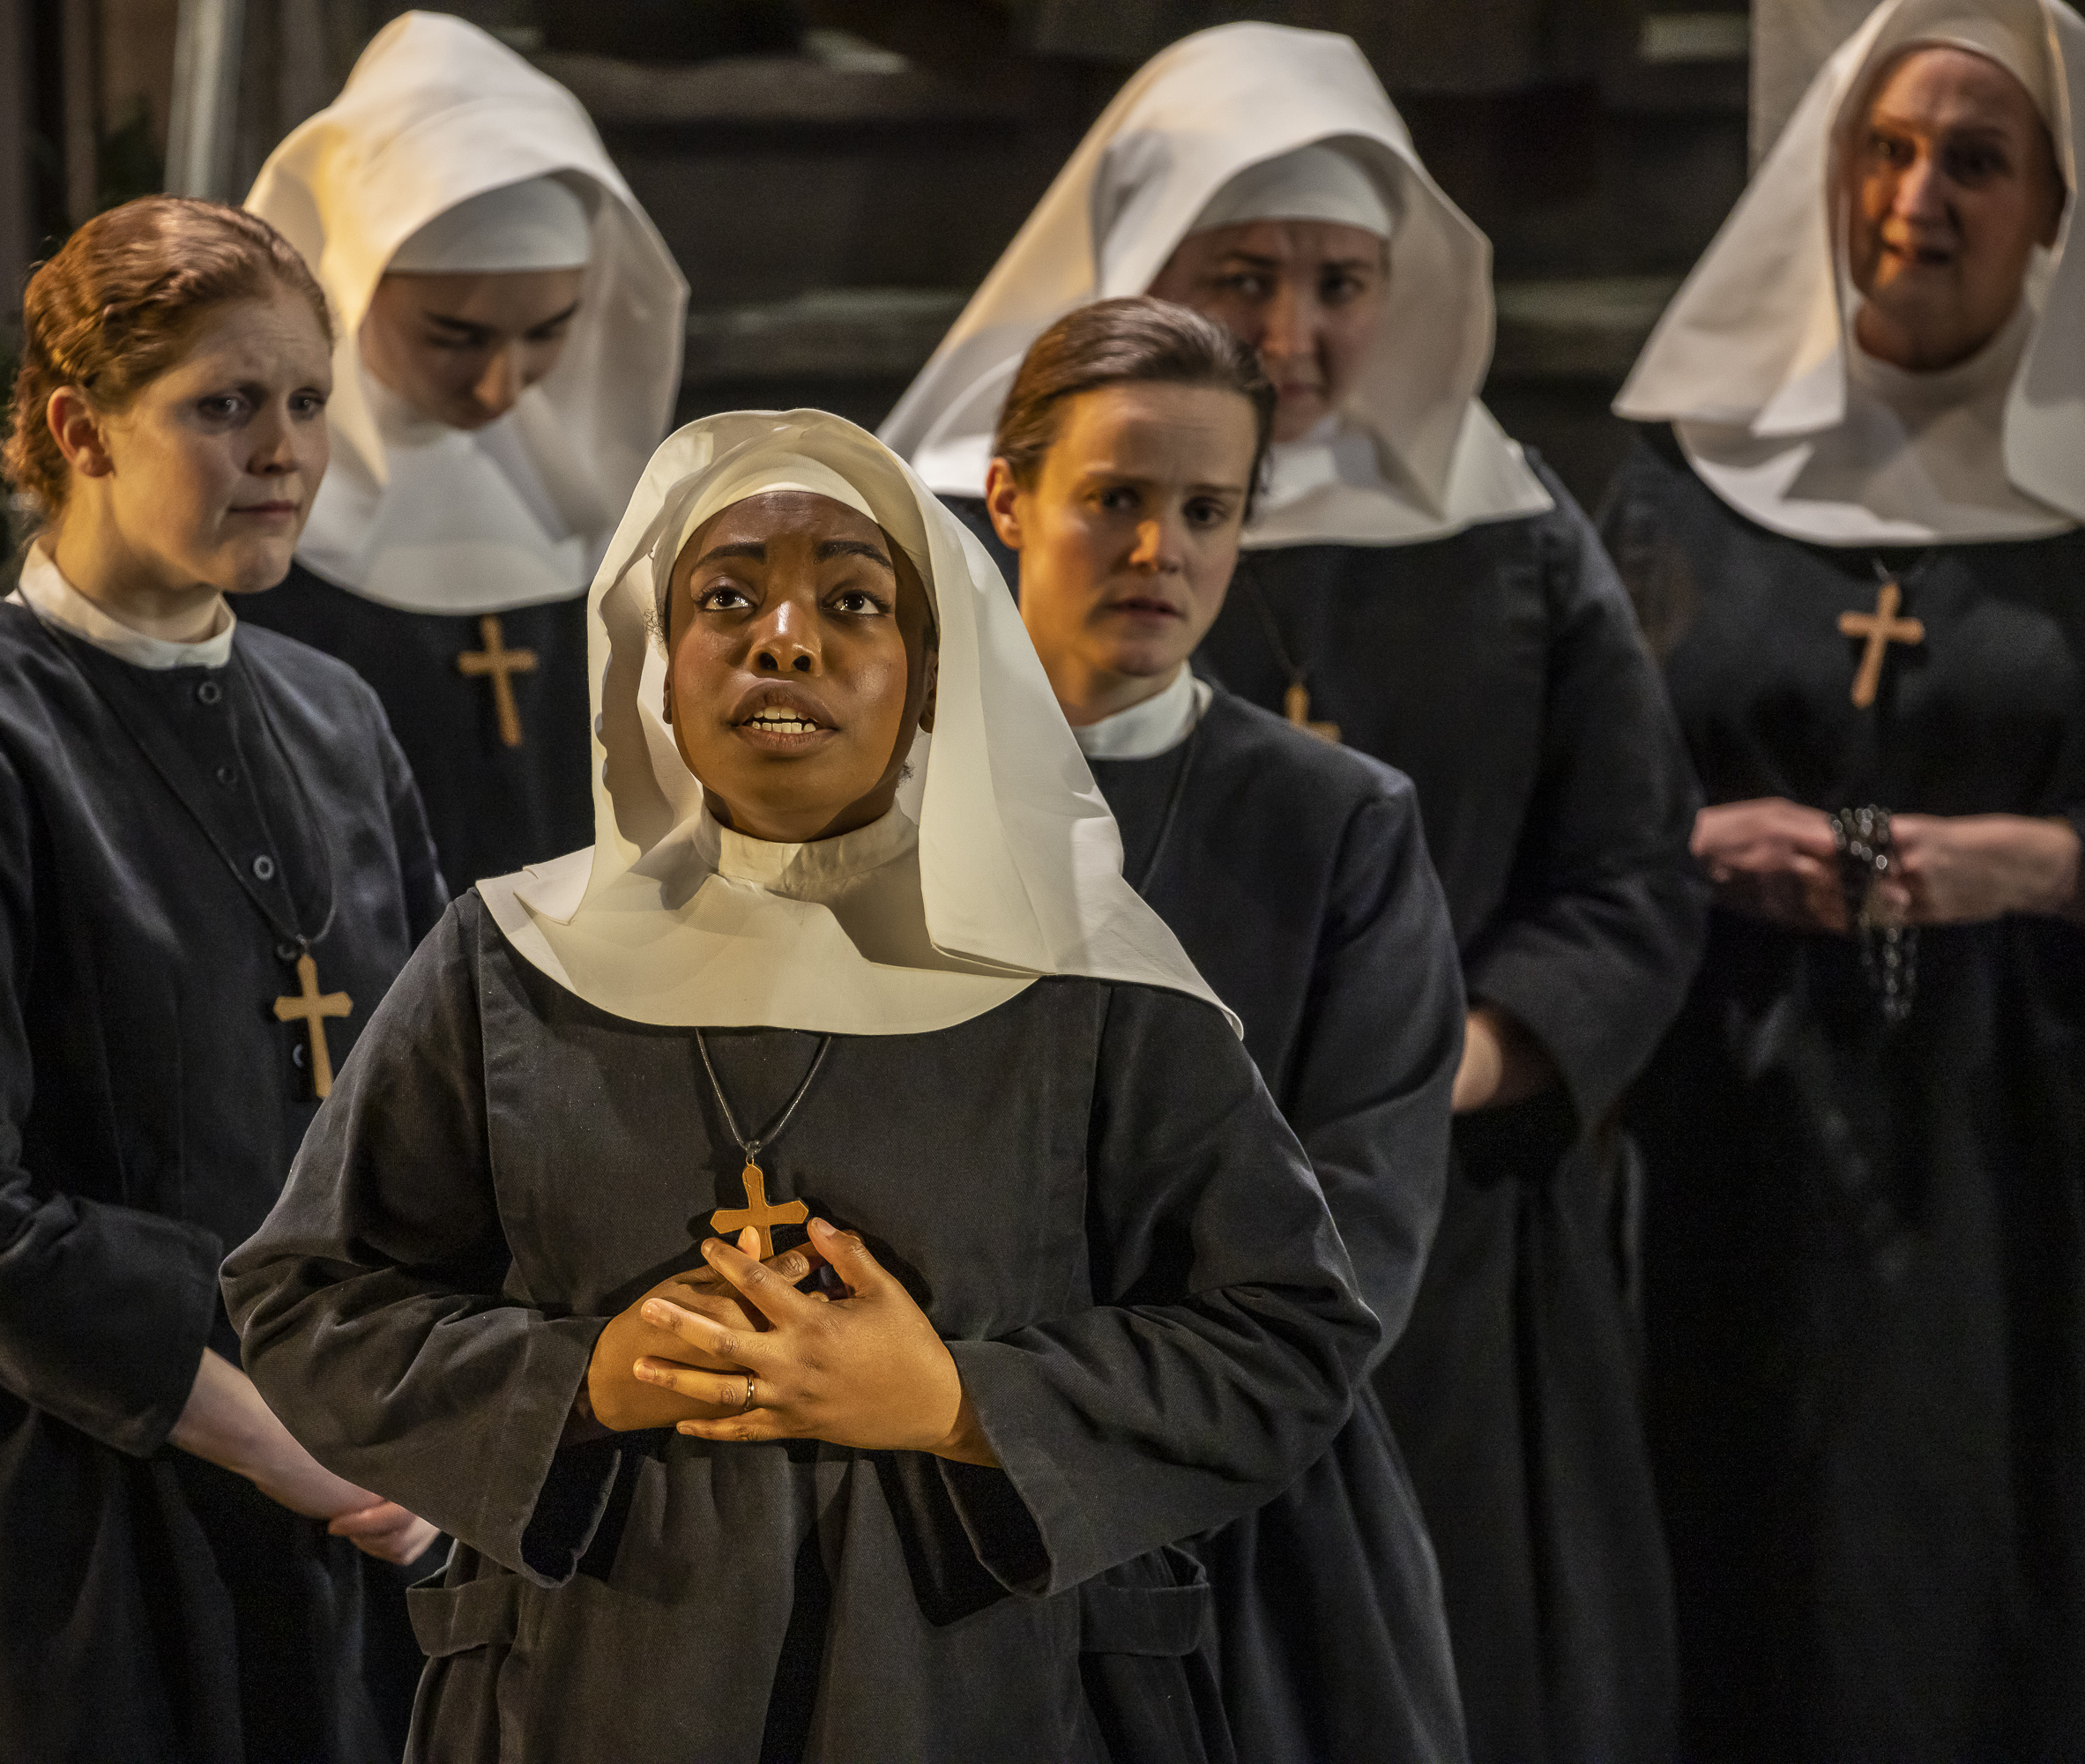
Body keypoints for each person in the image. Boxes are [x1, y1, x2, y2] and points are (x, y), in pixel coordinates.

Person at [222, 407, 1380, 1763]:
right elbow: (305, 1305)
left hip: (988, 1691)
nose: (784, 637)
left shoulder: (1088, 979)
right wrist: (583, 1375)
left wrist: (955, 1401)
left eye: (851, 599)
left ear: (932, 671)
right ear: (657, 651)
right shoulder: (511, 962)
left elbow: (1289, 1336)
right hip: (594, 1687)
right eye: (727, 596)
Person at [885, 26, 1707, 1761]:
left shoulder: (1513, 528)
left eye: (1343, 283)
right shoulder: (955, 540)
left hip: (1439, 1241)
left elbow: (1628, 873)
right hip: (1072, 1258)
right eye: (1239, 276)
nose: (1293, 333)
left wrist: (1437, 1062)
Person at [0, 196, 446, 1763]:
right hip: (50, 1531)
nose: (283, 450)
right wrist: (290, 1445)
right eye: (225, 407)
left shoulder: (339, 717)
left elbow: (440, 1091)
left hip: (328, 1510)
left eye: (303, 402)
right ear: (79, 427)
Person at [1601, 1, 2085, 1753]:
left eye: (1976, 160)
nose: (1919, 198)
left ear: (2058, 204)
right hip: (1723, 1115)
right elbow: (1577, 802)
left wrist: (2037, 861)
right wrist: (1696, 848)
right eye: (1882, 153)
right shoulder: (1683, 479)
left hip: (2033, 1140)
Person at [989, 294, 1468, 1760]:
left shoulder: (1340, 826)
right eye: (1116, 501)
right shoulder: (879, 800)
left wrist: (1073, 1413)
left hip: (1252, 1525)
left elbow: (1355, 1236)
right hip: (937, 1503)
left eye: (1208, 509)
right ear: (1008, 496)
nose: (1162, 552)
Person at [235, 10, 688, 894]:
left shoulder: (609, 515)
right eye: (453, 335)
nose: (498, 386)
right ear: (348, 294)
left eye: (549, 333)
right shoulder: (253, 521)